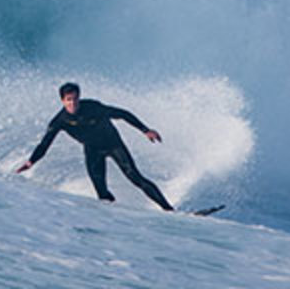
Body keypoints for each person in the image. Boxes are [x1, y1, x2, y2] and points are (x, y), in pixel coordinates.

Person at [16, 82, 174, 211]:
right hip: (92, 150)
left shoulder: (93, 107)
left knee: (135, 177)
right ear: (62, 101)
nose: (73, 103)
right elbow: (45, 144)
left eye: (75, 99)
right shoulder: (60, 120)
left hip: (113, 144)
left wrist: (145, 130)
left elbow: (123, 114)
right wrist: (31, 162)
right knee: (101, 191)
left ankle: (168, 209)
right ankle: (117, 218)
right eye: (69, 100)